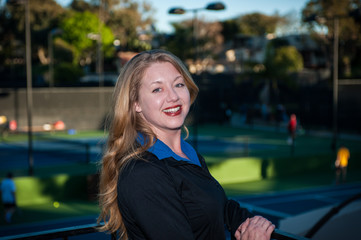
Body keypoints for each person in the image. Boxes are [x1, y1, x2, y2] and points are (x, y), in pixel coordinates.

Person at [98, 49, 275, 240]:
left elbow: (217, 205)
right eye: (157, 89)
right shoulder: (143, 173)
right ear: (135, 104)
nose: (173, 96)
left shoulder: (186, 153)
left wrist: (248, 222)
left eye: (178, 84)